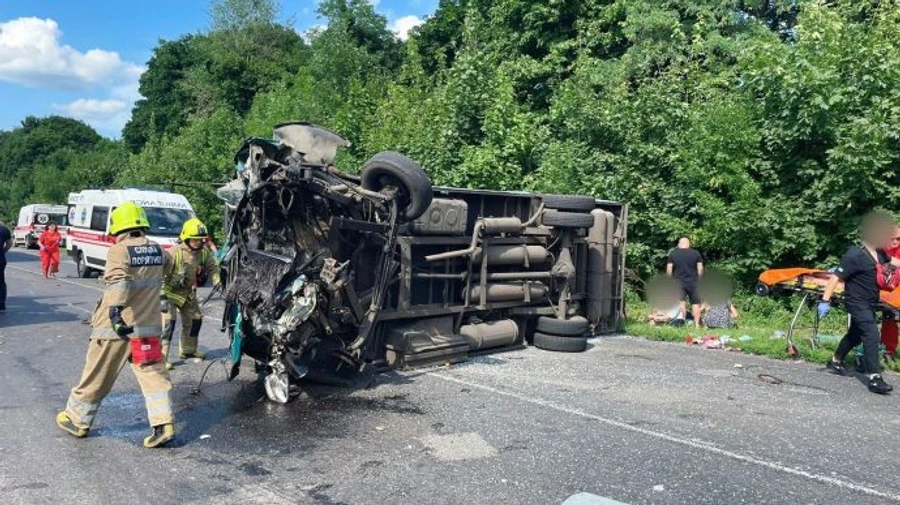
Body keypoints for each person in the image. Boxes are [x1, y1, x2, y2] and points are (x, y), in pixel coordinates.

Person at [56, 202, 176, 448]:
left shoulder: (119, 250)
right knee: (153, 375)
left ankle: (77, 419)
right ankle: (164, 423)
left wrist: (115, 314)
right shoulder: (157, 250)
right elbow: (172, 268)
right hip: (148, 328)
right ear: (142, 224)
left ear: (118, 226)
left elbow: (119, 282)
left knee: (97, 373)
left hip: (116, 330)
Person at [820, 211, 900, 394]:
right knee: (871, 334)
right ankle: (875, 378)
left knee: (855, 335)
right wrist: (825, 301)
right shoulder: (854, 255)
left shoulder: (880, 253)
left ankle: (835, 361)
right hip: (856, 302)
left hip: (870, 302)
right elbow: (834, 279)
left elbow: (895, 261)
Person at [161, 218, 220, 370]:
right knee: (168, 324)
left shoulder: (203, 253)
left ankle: (188, 351)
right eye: (195, 240)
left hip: (187, 292)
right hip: (169, 293)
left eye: (201, 240)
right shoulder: (173, 253)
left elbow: (212, 267)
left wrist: (216, 279)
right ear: (186, 238)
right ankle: (161, 358)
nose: (198, 243)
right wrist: (160, 297)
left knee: (195, 320)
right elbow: (158, 273)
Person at [667, 238, 704, 327]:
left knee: (681, 303)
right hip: (693, 282)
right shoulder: (696, 253)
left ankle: (682, 323)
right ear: (689, 244)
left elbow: (669, 268)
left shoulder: (673, 254)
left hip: (678, 282)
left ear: (680, 244)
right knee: (696, 304)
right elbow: (700, 268)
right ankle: (697, 326)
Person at [880, 226, 900, 358]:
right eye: (892, 238)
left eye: (898, 238)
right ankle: (888, 350)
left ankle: (889, 350)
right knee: (889, 317)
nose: (895, 241)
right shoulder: (880, 250)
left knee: (891, 315)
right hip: (883, 290)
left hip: (896, 289)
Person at [0, 221, 10, 311]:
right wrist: (3, 251)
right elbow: (9, 243)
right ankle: (1, 302)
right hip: (1, 259)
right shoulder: (4, 229)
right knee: (1, 281)